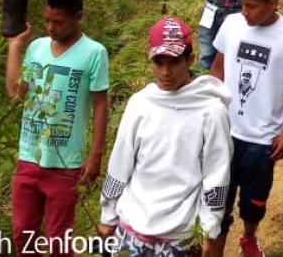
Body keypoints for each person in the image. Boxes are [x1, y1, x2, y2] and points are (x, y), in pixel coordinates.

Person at [98, 16, 232, 257]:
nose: (165, 72)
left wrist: (210, 228)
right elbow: (120, 161)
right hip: (132, 225)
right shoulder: (140, 104)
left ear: (190, 59)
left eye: (174, 62)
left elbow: (216, 174)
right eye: (159, 63)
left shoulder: (211, 111)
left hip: (179, 235)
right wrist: (108, 213)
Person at [207, 0, 283, 257]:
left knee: (254, 201)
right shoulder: (231, 24)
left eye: (252, 6)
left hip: (263, 139)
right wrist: (209, 111)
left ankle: (248, 237)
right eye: (242, 5)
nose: (244, 12)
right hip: (225, 132)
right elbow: (218, 67)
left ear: (273, 3)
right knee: (218, 202)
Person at [5, 0, 109, 257]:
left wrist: (96, 154)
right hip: (29, 156)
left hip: (65, 162)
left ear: (78, 17)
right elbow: (16, 91)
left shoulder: (94, 52)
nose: (51, 28)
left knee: (58, 239)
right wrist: (15, 46)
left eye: (58, 22)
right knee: (23, 235)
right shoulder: (37, 48)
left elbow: (100, 104)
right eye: (47, 21)